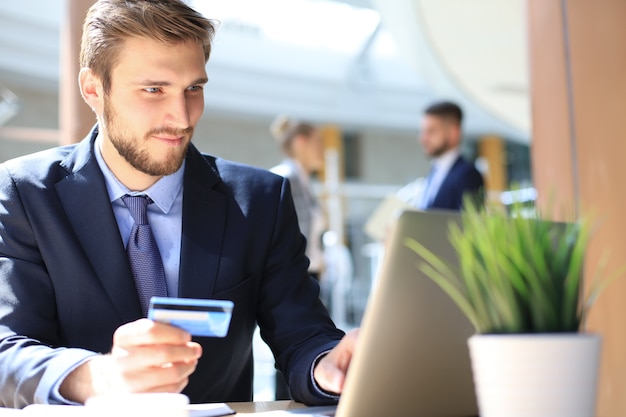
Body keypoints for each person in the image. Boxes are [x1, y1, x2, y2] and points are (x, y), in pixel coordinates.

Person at [0, 0, 357, 409]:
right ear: (93, 88)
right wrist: (97, 375)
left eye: (194, 88)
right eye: (154, 89)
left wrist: (329, 367)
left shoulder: (260, 201)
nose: (182, 116)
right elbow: (6, 350)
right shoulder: (24, 194)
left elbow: (304, 336)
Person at [270, 116, 326, 281]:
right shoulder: (284, 179)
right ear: (301, 142)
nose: (323, 149)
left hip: (308, 274)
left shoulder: (303, 182)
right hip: (292, 277)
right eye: (318, 142)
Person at [400, 100, 484, 211]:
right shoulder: (434, 171)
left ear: (453, 133)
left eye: (431, 131)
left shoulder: (468, 175)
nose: (422, 138)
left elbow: (467, 223)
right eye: (423, 131)